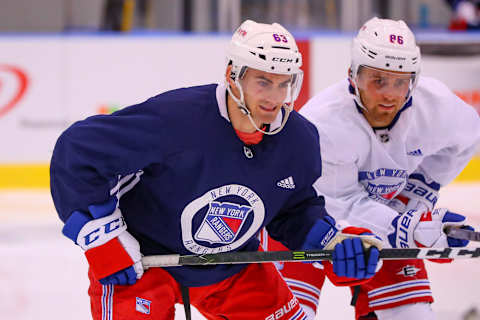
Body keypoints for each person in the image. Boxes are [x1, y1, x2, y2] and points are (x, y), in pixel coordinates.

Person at [50, 20, 382, 320]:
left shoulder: (300, 139)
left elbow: (293, 208)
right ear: (232, 76)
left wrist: (331, 242)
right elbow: (77, 151)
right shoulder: (177, 119)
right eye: (263, 82)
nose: (275, 98)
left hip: (230, 266)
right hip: (144, 265)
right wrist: (102, 238)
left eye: (284, 84)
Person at [263, 17, 480, 320]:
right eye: (378, 80)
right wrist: (409, 227)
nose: (390, 94)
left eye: (400, 81)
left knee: (412, 315)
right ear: (353, 76)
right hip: (301, 223)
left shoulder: (437, 106)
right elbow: (339, 205)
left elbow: (465, 140)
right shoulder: (323, 123)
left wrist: (420, 190)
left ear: (413, 80)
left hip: (382, 215)